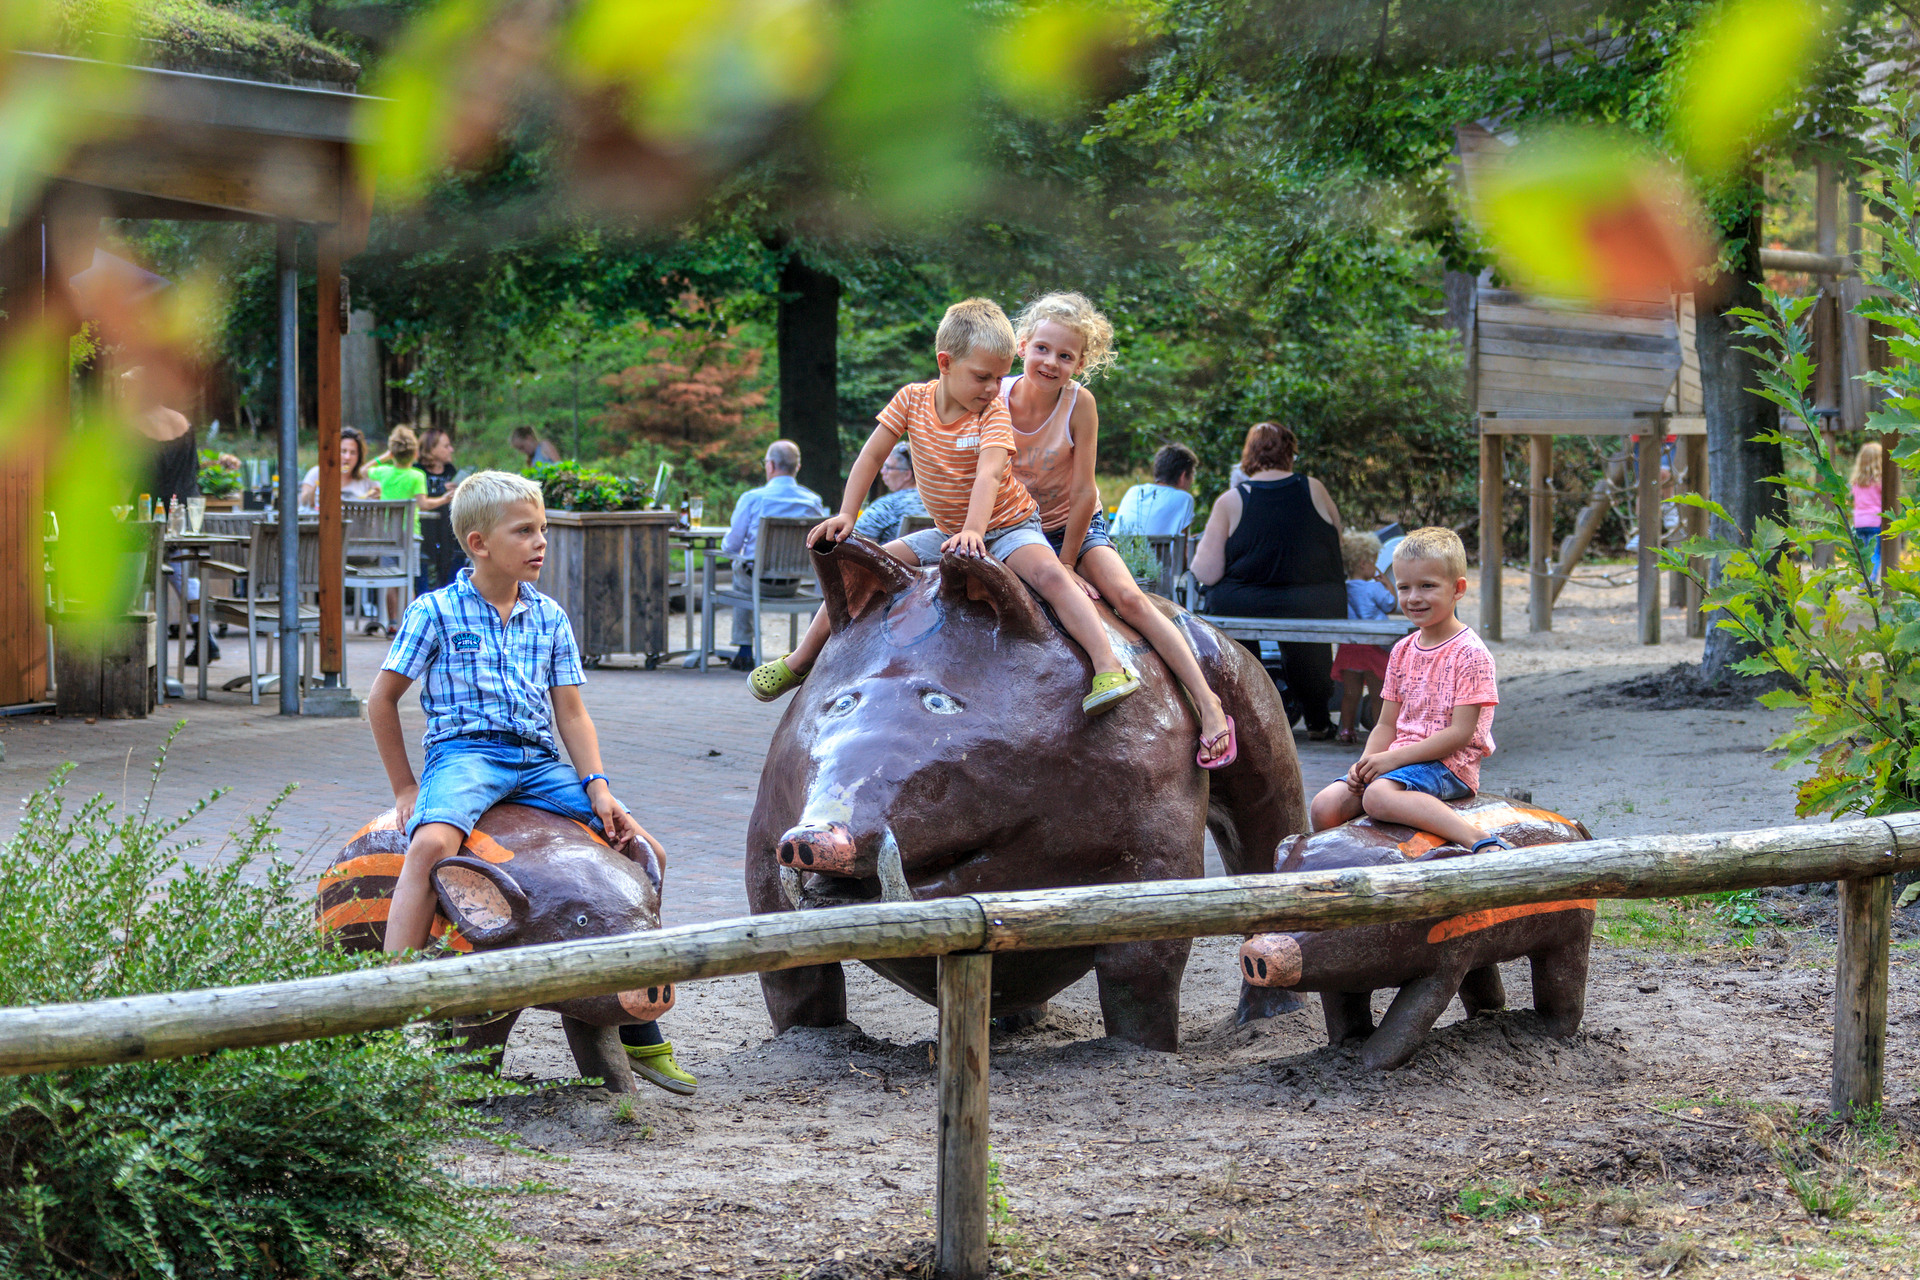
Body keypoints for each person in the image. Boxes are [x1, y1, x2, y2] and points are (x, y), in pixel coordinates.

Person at [367, 470, 696, 1094]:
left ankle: (640, 1023)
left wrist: (598, 786)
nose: (540, 541)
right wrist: (406, 789)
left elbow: (570, 711)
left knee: (646, 849)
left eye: (542, 529)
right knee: (429, 847)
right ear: (478, 542)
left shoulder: (548, 615)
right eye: (525, 531)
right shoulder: (433, 611)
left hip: (539, 761)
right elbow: (381, 701)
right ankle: (390, 1008)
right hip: (465, 756)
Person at [748, 297, 1139, 716]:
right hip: (951, 531)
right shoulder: (911, 401)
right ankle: (801, 659)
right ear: (945, 363)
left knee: (1050, 574)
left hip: (1009, 525)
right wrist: (847, 513)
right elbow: (871, 456)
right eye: (983, 377)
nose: (993, 389)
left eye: (999, 378)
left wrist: (975, 529)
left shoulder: (992, 414)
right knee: (865, 567)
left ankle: (1108, 665)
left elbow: (989, 474)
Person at [1002, 293, 1234, 766]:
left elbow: (1086, 493)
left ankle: (1208, 704)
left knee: (1129, 599)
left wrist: (1067, 563)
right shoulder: (996, 396)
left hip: (1073, 525)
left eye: (1065, 356)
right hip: (1012, 529)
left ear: (1081, 363)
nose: (1051, 362)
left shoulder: (1078, 403)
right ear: (1022, 344)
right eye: (1042, 349)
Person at [1307, 527, 1507, 855]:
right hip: (1398, 760)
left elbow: (1460, 734)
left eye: (1427, 586)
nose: (1414, 597)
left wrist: (1390, 761)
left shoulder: (1470, 653)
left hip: (1448, 765)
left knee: (1378, 796)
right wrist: (1366, 764)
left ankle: (1478, 839)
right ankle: (1347, 866)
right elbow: (1386, 724)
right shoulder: (1402, 650)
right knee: (1324, 806)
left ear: (1457, 589)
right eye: (1404, 587)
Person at [1191, 422, 1347, 740]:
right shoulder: (1313, 488)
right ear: (1290, 452)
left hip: (1244, 601)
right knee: (1306, 644)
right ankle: (1317, 719)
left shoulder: (1232, 500)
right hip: (1312, 601)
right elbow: (1338, 544)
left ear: (1248, 455)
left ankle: (1250, 720)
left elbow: (1206, 573)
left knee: (1238, 642)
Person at [720, 439, 828, 670]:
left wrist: (727, 547)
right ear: (797, 467)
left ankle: (744, 649)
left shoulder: (752, 499)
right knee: (744, 568)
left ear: (769, 465)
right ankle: (810, 653)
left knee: (739, 568)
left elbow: (730, 546)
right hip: (793, 583)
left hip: (755, 583)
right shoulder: (813, 501)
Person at [1331, 529, 1395, 744]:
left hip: (1349, 649)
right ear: (1361, 563)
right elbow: (1390, 605)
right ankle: (1380, 733)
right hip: (1373, 647)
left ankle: (1346, 730)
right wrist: (1389, 586)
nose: (1376, 567)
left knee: (1350, 694)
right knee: (1378, 694)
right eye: (1373, 561)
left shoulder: (1343, 589)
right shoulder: (1374, 588)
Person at [369, 427, 429, 634]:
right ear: (415, 453)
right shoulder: (417, 476)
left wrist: (382, 458)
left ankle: (393, 622)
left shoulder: (383, 472)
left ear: (392, 452)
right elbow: (424, 504)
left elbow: (362, 470)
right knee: (408, 579)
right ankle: (409, 624)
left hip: (388, 537)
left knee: (390, 580)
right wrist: (446, 498)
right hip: (410, 536)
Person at [1112, 443, 1199, 538]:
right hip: (1158, 553)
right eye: (1192, 475)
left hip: (1118, 552)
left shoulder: (1133, 491)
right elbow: (1183, 548)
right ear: (1183, 476)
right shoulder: (1184, 499)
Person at [415, 428, 464, 593]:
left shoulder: (450, 470)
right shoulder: (417, 471)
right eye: (446, 446)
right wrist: (442, 494)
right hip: (423, 535)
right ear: (431, 448)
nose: (451, 450)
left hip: (447, 536)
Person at [853, 443, 928, 543]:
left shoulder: (889, 505)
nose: (882, 471)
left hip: (891, 558)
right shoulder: (935, 503)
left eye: (888, 467)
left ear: (907, 474)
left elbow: (855, 539)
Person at [298, 426, 381, 509]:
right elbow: (303, 503)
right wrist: (314, 490)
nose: (347, 457)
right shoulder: (317, 473)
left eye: (353, 453)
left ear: (359, 457)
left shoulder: (367, 478)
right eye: (343, 451)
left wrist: (376, 496)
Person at [1852, 441, 1884, 579]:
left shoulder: (1856, 482)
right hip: (1875, 522)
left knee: (1863, 554)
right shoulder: (1880, 482)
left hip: (1859, 522)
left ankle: (1861, 582)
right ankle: (1870, 582)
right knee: (1875, 553)